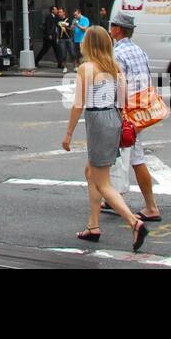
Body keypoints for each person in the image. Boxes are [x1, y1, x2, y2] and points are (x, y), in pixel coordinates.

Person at [61, 26, 148, 251]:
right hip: (113, 119)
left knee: (102, 181)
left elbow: (78, 104)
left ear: (88, 44)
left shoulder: (86, 68)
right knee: (91, 172)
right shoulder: (114, 66)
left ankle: (134, 222)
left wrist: (69, 133)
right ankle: (93, 225)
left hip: (98, 121)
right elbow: (123, 100)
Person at [108, 11, 161, 222]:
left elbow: (120, 86)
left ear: (118, 29)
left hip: (127, 112)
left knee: (135, 157)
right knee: (117, 155)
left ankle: (151, 206)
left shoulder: (117, 54)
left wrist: (117, 112)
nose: (110, 30)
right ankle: (113, 197)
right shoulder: (139, 51)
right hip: (141, 109)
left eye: (112, 26)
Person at [35, 5, 65, 70]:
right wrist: (49, 35)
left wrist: (63, 17)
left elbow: (60, 22)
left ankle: (59, 64)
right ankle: (36, 61)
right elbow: (47, 26)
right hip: (49, 37)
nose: (57, 11)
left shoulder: (56, 17)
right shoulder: (48, 17)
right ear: (52, 10)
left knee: (57, 50)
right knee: (44, 50)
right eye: (56, 10)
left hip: (54, 37)